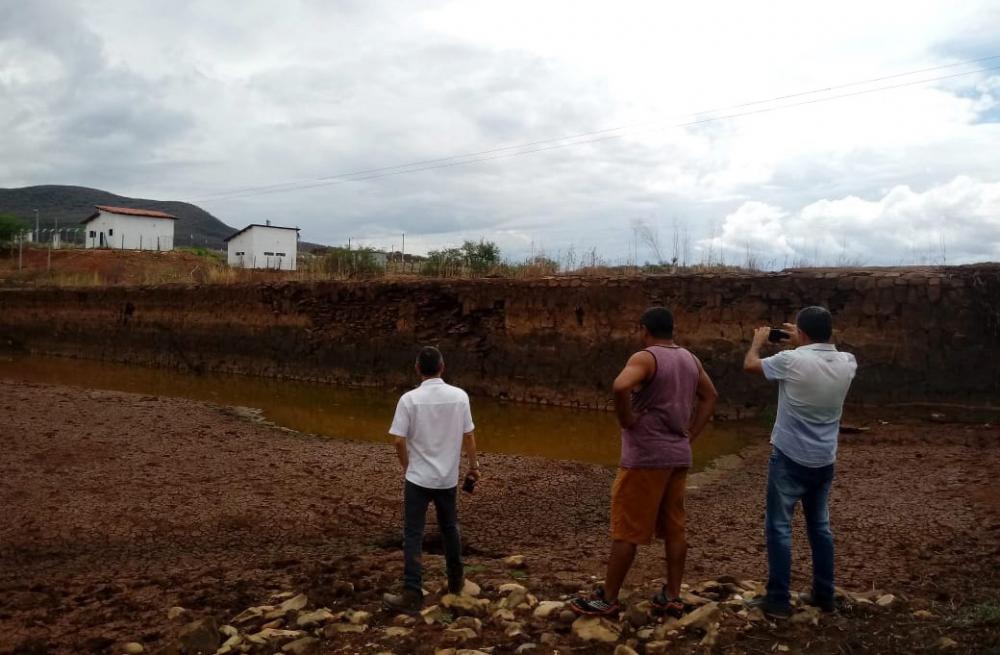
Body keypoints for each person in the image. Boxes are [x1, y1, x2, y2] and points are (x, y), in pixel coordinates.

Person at [570, 307, 718, 617]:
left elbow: (620, 385)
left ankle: (608, 598)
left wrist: (626, 418)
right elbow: (710, 396)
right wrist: (691, 434)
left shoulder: (645, 358)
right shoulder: (690, 359)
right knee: (675, 528)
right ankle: (672, 595)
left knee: (627, 529)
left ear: (643, 329)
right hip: (678, 456)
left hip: (646, 458)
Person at [743, 306, 857, 618]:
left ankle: (778, 600)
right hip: (824, 459)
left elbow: (751, 365)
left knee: (779, 527)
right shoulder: (848, 362)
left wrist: (758, 341)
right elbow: (818, 359)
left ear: (802, 333)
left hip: (789, 457)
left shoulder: (790, 360)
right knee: (820, 526)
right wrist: (804, 341)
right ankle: (824, 593)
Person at [382, 346, 480, 615]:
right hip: (446, 478)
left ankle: (412, 591)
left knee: (413, 533)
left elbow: (398, 440)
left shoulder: (408, 400)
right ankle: (456, 581)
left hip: (418, 478)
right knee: (450, 529)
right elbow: (469, 436)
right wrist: (474, 467)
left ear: (417, 368)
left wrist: (407, 466)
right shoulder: (459, 397)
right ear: (442, 366)